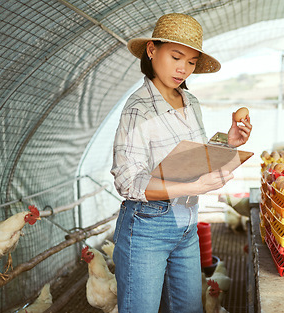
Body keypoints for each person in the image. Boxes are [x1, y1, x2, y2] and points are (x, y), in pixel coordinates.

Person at [110, 13, 252, 313]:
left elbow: (194, 156)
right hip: (147, 226)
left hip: (186, 225)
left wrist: (229, 143)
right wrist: (193, 185)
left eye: (191, 62)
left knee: (190, 309)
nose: (182, 69)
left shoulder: (191, 103)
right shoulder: (139, 109)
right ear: (152, 50)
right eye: (176, 56)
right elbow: (127, 182)